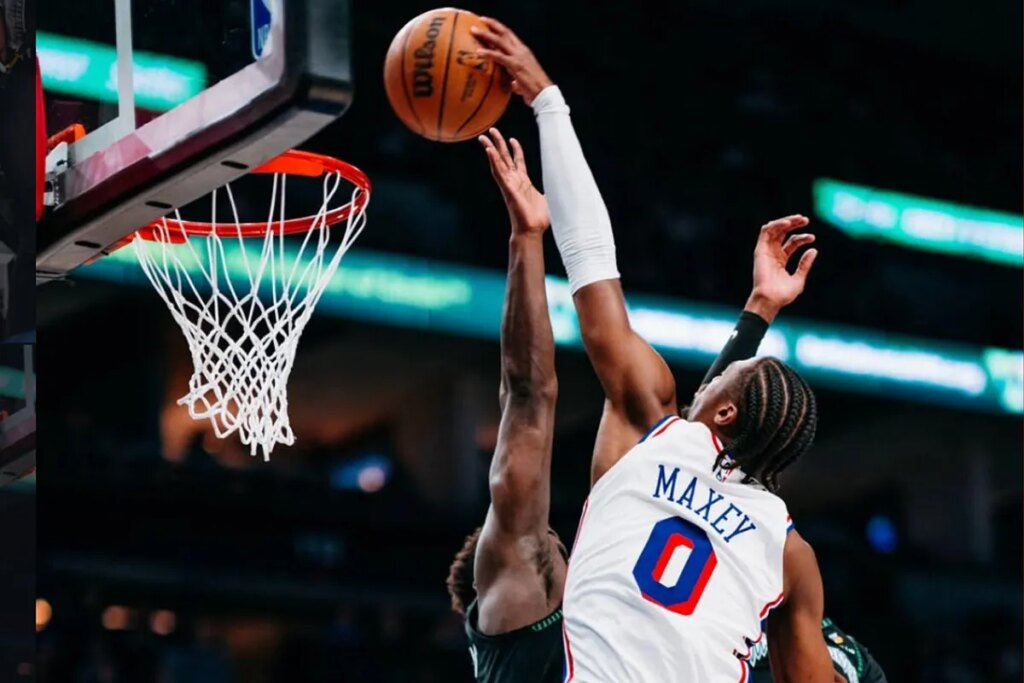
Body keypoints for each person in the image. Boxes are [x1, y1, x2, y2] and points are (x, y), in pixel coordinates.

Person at [471, 18, 842, 682]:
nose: (717, 373)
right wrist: (756, 309)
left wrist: (547, 102)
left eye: (730, 375)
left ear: (723, 413)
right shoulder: (791, 553)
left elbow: (591, 267)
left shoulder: (655, 431)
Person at [446, 128, 567, 683]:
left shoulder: (535, 578)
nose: (559, 539)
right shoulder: (523, 583)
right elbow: (526, 396)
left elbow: (530, 400)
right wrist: (526, 236)